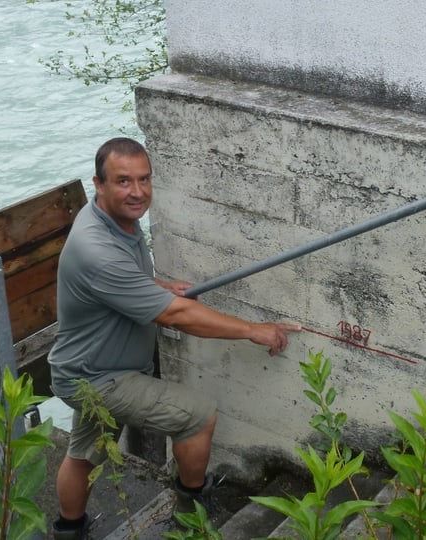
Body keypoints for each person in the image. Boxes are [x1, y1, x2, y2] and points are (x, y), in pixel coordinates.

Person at [48, 137, 300, 539]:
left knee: (84, 454)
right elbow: (175, 316)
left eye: (144, 179)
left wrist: (153, 285)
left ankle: (68, 531)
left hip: (83, 367)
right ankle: (190, 514)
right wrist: (254, 330)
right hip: (101, 378)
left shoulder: (106, 218)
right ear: (99, 184)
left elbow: (125, 281)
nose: (138, 191)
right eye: (124, 181)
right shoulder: (96, 249)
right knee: (197, 416)